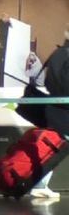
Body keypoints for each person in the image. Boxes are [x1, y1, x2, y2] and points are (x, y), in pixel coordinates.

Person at [31, 26, 69, 199]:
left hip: (54, 109)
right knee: (55, 149)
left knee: (54, 149)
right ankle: (39, 184)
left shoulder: (58, 54)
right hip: (64, 112)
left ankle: (40, 184)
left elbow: (47, 82)